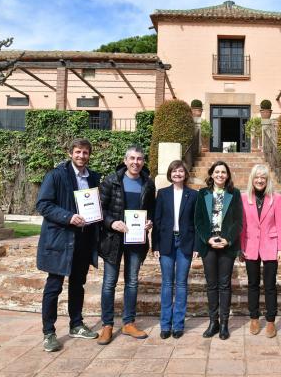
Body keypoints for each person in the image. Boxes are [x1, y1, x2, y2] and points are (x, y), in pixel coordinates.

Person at [36, 138, 100, 352]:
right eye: (78, 152)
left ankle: (76, 324)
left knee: (77, 285)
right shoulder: (56, 175)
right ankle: (49, 333)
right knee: (53, 286)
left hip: (83, 240)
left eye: (85, 152)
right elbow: (43, 204)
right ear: (70, 153)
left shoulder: (94, 178)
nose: (82, 156)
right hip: (60, 239)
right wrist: (68, 216)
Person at [97, 145, 156, 345]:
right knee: (109, 283)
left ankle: (128, 323)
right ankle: (107, 325)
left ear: (143, 162)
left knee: (132, 282)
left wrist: (150, 222)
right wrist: (112, 223)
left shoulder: (148, 184)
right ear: (125, 160)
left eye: (139, 159)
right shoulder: (110, 181)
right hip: (113, 239)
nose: (135, 162)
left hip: (136, 240)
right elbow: (100, 210)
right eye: (132, 158)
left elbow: (152, 210)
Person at [194, 160, 243, 340]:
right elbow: (198, 220)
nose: (220, 175)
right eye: (217, 172)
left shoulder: (235, 193)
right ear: (212, 174)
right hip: (209, 246)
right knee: (211, 285)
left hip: (226, 246)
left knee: (225, 285)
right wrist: (207, 239)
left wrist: (227, 239)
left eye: (223, 172)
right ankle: (213, 322)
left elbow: (238, 221)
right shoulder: (202, 193)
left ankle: (224, 324)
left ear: (227, 175)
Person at [153, 160, 198, 339]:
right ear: (170, 174)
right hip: (166, 241)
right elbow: (157, 221)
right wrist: (154, 245)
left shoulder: (193, 195)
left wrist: (196, 246)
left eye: (180, 171)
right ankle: (165, 325)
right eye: (174, 171)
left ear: (185, 174)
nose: (177, 174)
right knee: (166, 283)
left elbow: (196, 222)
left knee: (181, 284)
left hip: (185, 241)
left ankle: (178, 324)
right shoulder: (162, 194)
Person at [240, 164, 281, 338]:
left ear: (267, 180)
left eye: (263, 178)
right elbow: (242, 226)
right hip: (250, 245)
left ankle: (271, 320)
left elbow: (280, 224)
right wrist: (241, 247)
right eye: (257, 177)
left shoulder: (277, 198)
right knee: (252, 284)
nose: (260, 180)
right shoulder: (244, 198)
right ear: (252, 179)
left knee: (270, 285)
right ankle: (254, 318)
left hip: (270, 245)